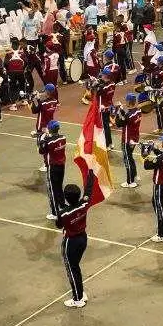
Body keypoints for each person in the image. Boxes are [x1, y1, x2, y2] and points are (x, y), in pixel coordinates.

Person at [57, 180, 92, 308]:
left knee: (72, 269)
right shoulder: (84, 204)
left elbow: (58, 225)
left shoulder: (64, 213)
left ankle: (77, 299)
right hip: (83, 238)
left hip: (70, 242)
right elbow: (89, 190)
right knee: (76, 267)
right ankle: (80, 293)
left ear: (66, 197)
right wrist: (90, 173)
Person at [38, 121, 67, 220]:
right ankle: (62, 205)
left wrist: (42, 138)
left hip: (53, 167)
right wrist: (48, 135)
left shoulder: (49, 141)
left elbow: (41, 150)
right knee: (59, 186)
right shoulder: (63, 138)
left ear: (50, 129)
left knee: (52, 190)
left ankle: (55, 212)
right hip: (62, 165)